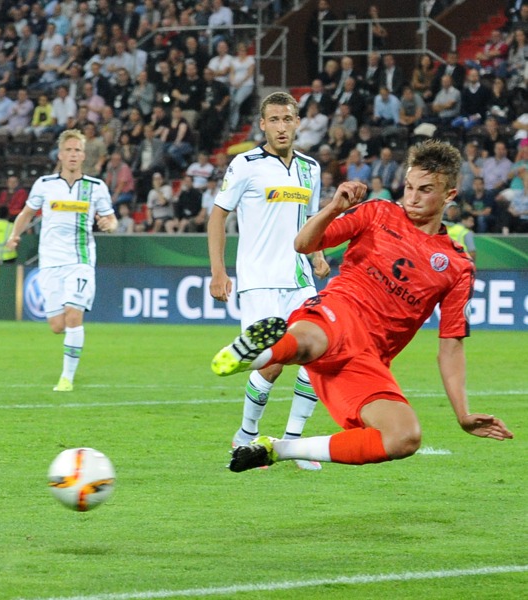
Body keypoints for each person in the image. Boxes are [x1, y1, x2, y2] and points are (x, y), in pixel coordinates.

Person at [214, 140, 512, 472]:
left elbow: (451, 346)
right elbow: (303, 244)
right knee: (313, 340)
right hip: (338, 310)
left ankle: (278, 449)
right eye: (409, 187)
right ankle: (253, 355)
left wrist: (463, 414)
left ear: (449, 195)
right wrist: (332, 208)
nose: (412, 197)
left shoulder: (457, 265)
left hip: (368, 358)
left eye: (425, 190)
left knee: (404, 437)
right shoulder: (378, 211)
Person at [208, 91, 330, 471]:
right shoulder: (245, 164)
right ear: (262, 124)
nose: (281, 126)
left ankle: (293, 442)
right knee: (272, 366)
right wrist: (218, 270)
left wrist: (319, 254)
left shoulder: (311, 168)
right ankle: (246, 434)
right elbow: (217, 216)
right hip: (259, 282)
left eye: (287, 119)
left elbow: (311, 223)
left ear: (298, 122)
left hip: (299, 280)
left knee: (320, 354)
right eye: (273, 120)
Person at [5, 129, 118, 391]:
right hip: (50, 263)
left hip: (80, 260)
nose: (73, 155)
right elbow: (27, 213)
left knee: (73, 315)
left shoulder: (95, 187)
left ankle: (66, 378)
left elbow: (111, 218)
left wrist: (108, 224)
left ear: (83, 155)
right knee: (57, 325)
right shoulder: (45, 184)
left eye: (78, 150)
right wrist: (14, 235)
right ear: (60, 154)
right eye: (68, 150)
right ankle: (68, 362)